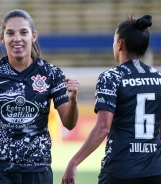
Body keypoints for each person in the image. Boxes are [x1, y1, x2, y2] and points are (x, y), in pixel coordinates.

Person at [0, 9, 80, 184]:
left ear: (34, 36)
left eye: (23, 32)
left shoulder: (51, 73)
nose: (17, 38)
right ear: (2, 39)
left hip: (37, 168)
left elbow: (69, 124)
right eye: (10, 33)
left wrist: (73, 100)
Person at [62, 14, 161, 184]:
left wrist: (74, 162)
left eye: (114, 41)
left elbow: (102, 128)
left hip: (121, 170)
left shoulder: (111, 77)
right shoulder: (159, 78)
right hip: (155, 170)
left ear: (120, 44)